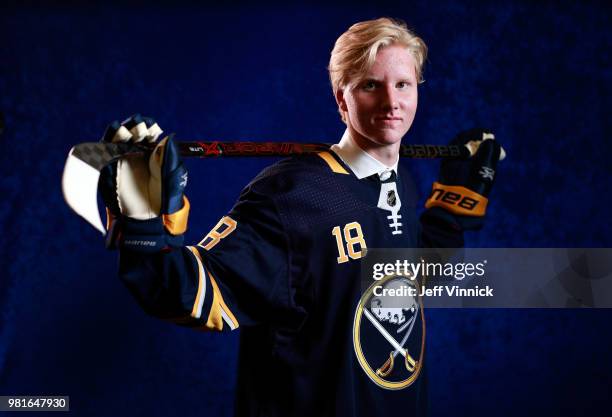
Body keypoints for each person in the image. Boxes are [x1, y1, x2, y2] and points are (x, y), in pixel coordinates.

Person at [99, 17, 502, 417]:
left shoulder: (398, 185)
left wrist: (452, 208)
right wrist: (144, 226)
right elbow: (191, 294)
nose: (391, 102)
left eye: (403, 85)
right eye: (369, 85)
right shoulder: (291, 197)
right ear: (342, 98)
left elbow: (410, 280)